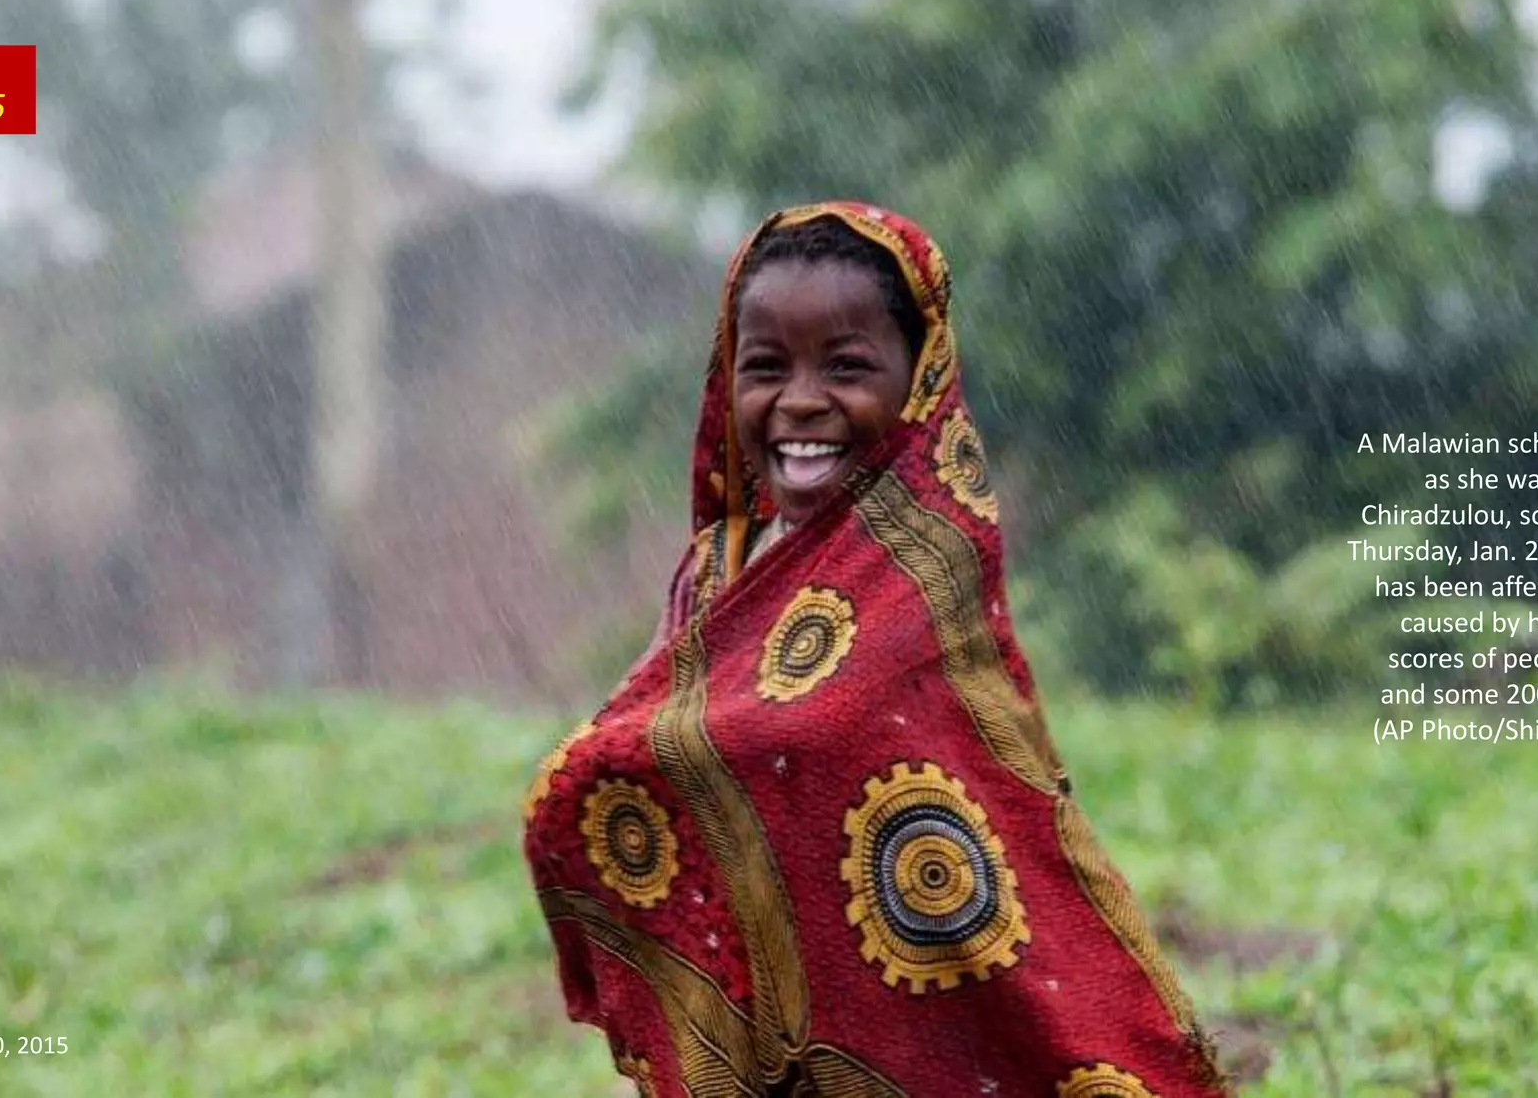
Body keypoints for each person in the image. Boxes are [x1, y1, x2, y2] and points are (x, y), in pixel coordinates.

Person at [522, 202, 1228, 1097]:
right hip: (771, 1030)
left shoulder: (926, 564)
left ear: (919, 381)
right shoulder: (717, 569)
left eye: (847, 367)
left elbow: (805, 737)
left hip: (940, 1004)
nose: (801, 400)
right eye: (766, 366)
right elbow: (654, 745)